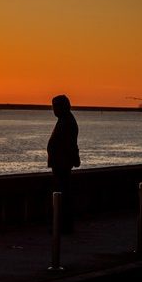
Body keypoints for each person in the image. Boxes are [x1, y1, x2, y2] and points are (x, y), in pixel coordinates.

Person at [47, 94, 80, 233]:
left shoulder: (67, 122)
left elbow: (69, 144)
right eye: (53, 107)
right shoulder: (64, 120)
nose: (54, 110)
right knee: (63, 195)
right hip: (60, 163)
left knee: (63, 196)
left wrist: (72, 159)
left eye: (56, 107)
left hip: (62, 164)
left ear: (63, 107)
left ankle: (64, 226)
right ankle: (63, 225)